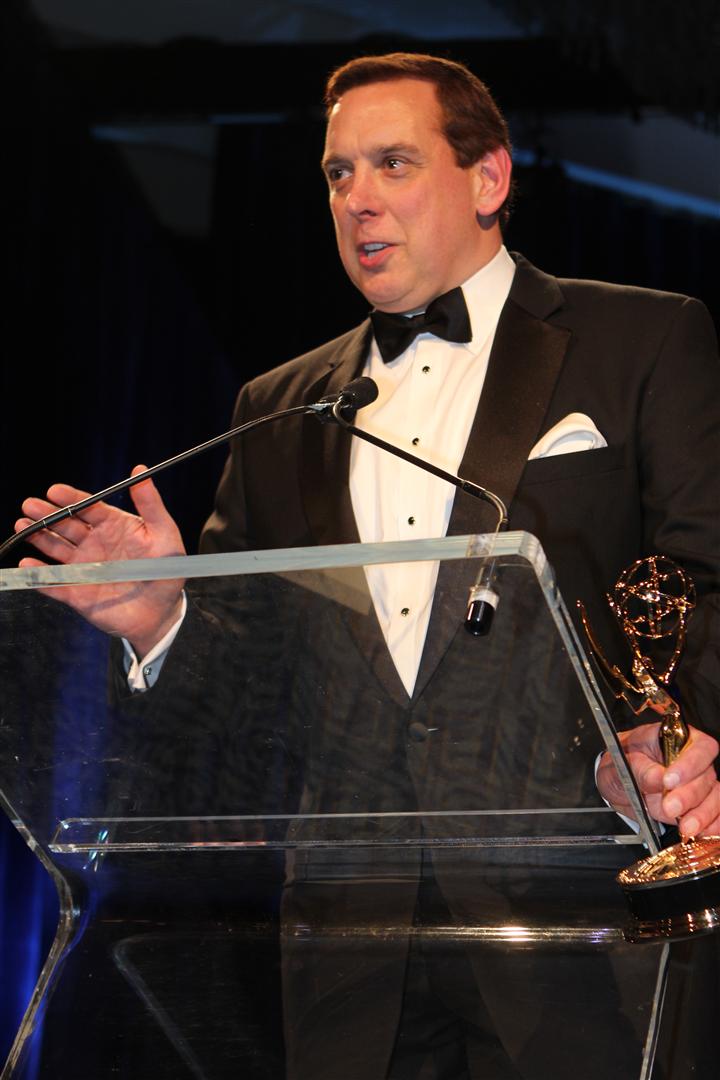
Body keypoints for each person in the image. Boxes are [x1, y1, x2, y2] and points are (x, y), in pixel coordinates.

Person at [14, 52, 720, 1078]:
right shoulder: (278, 407)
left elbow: (707, 573)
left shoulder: (644, 340)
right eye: (338, 173)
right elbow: (253, 675)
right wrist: (165, 617)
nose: (358, 198)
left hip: (581, 918)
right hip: (353, 945)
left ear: (489, 178)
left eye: (393, 163)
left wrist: (678, 735)